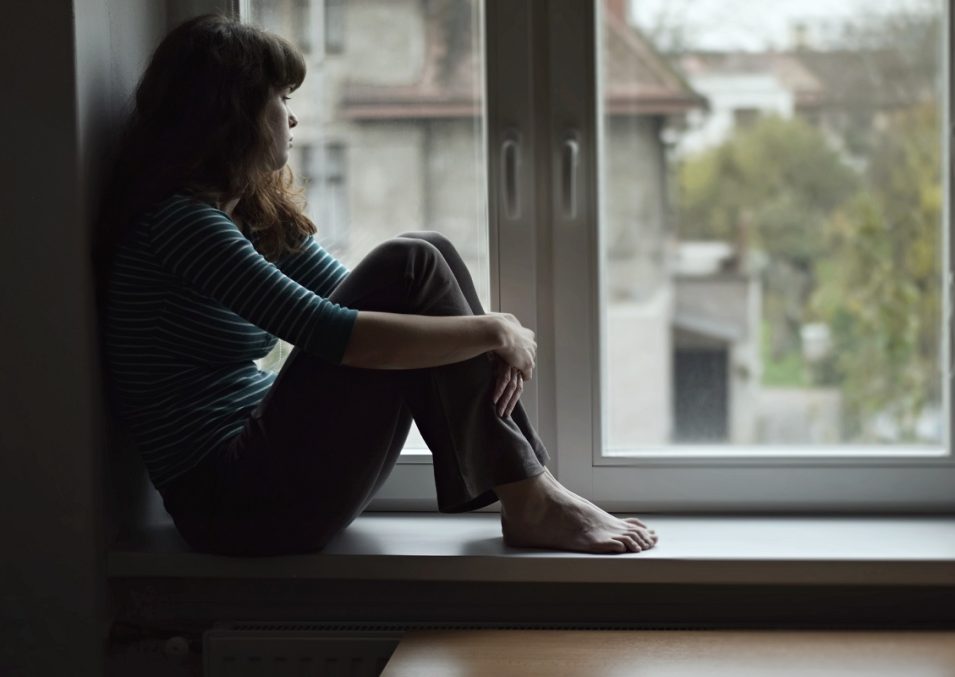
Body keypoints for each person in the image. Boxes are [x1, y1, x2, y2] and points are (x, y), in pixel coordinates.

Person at [98, 13, 658, 557]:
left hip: (267, 480)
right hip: (234, 504)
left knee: (427, 253)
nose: (292, 120)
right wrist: (491, 330)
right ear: (235, 113)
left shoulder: (247, 215)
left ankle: (531, 491)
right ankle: (531, 496)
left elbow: (363, 300)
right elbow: (334, 332)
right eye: (282, 100)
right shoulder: (180, 225)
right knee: (411, 261)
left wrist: (482, 333)